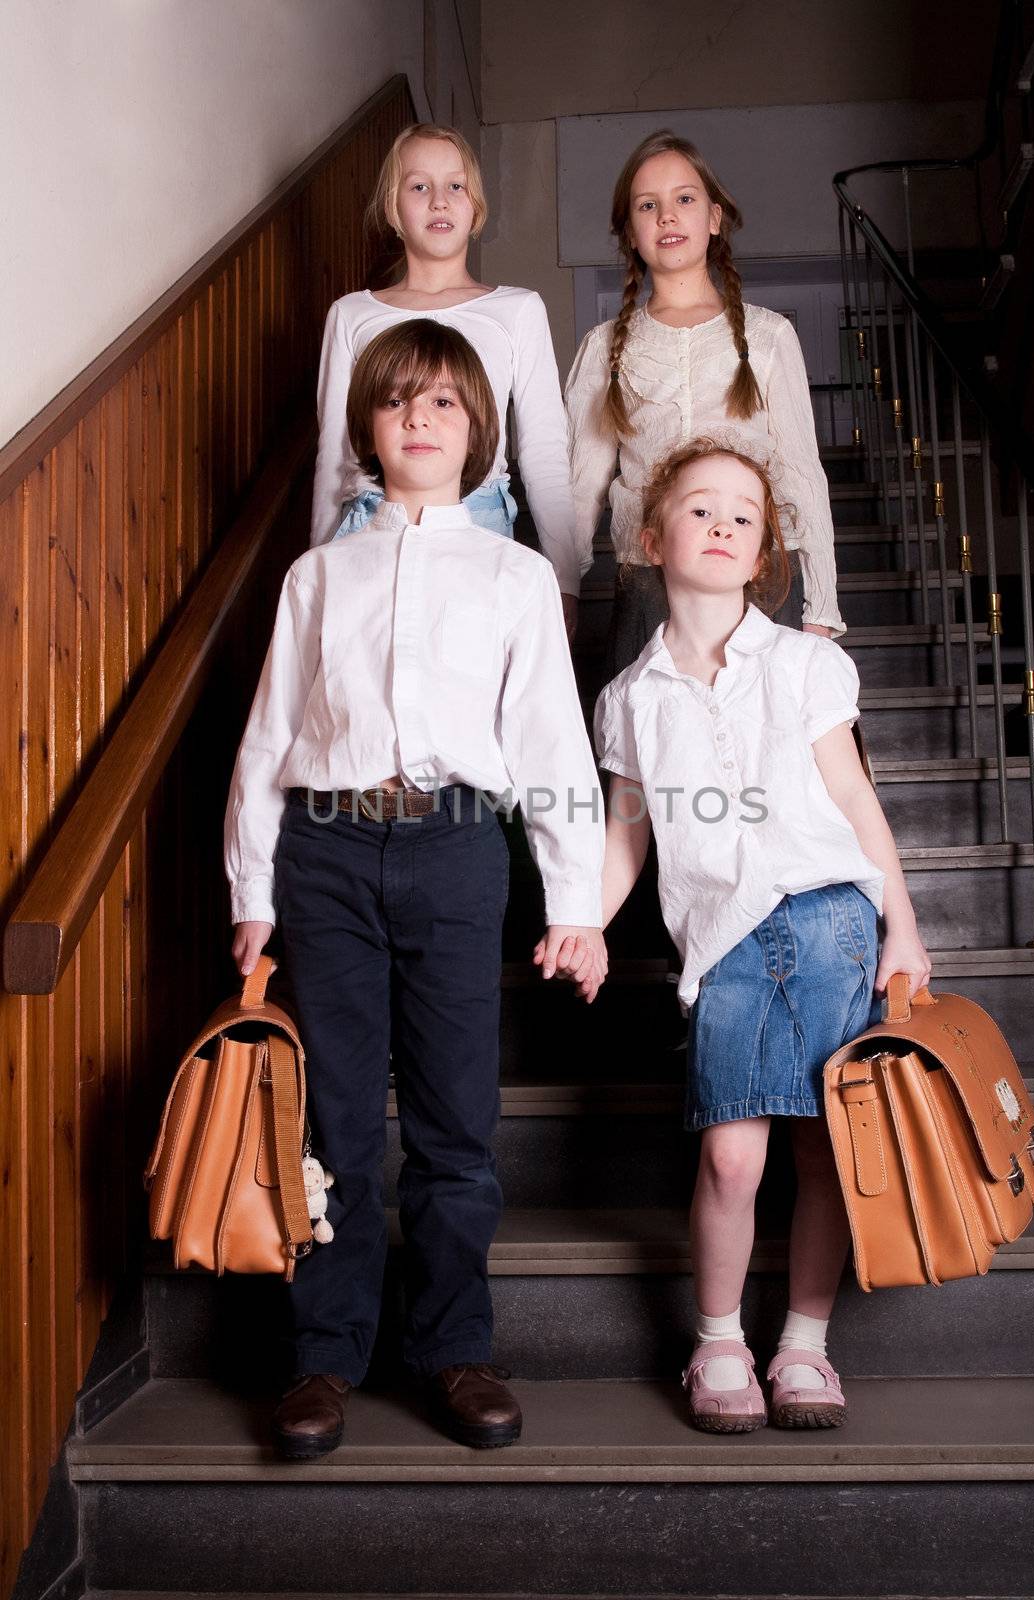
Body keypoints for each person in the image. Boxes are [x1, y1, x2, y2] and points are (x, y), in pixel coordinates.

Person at [226, 319, 604, 1459]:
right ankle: (324, 1356)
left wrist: (574, 900)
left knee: (453, 1121)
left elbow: (549, 747)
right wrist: (253, 888)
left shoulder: (515, 575)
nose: (420, 420)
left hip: (452, 851)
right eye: (397, 403)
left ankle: (453, 1347)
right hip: (326, 858)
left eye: (443, 403)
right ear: (368, 430)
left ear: (477, 431)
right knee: (334, 1118)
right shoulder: (316, 575)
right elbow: (263, 743)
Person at [554, 433, 929, 1431]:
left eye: (742, 516)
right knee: (730, 1159)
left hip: (829, 921)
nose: (719, 524)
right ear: (648, 537)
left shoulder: (808, 663)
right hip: (720, 945)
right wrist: (584, 920)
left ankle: (802, 1344)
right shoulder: (627, 699)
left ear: (762, 554)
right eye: (698, 507)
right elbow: (626, 834)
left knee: (818, 1152)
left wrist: (903, 925)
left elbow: (852, 795)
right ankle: (717, 1339)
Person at [565, 128, 845, 677]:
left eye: (684, 199)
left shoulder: (768, 337)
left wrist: (823, 607)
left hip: (760, 580)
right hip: (648, 583)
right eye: (648, 205)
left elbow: (800, 472)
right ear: (631, 231)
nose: (667, 215)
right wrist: (563, 590)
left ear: (714, 218)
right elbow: (578, 487)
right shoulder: (604, 349)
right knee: (648, 750)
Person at [312, 121, 582, 637]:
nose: (439, 201)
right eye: (419, 186)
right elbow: (334, 455)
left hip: (477, 517)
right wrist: (317, 568)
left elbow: (545, 448)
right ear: (393, 209)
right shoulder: (352, 315)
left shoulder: (516, 310)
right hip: (370, 524)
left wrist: (563, 580)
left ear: (475, 207)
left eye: (455, 186)